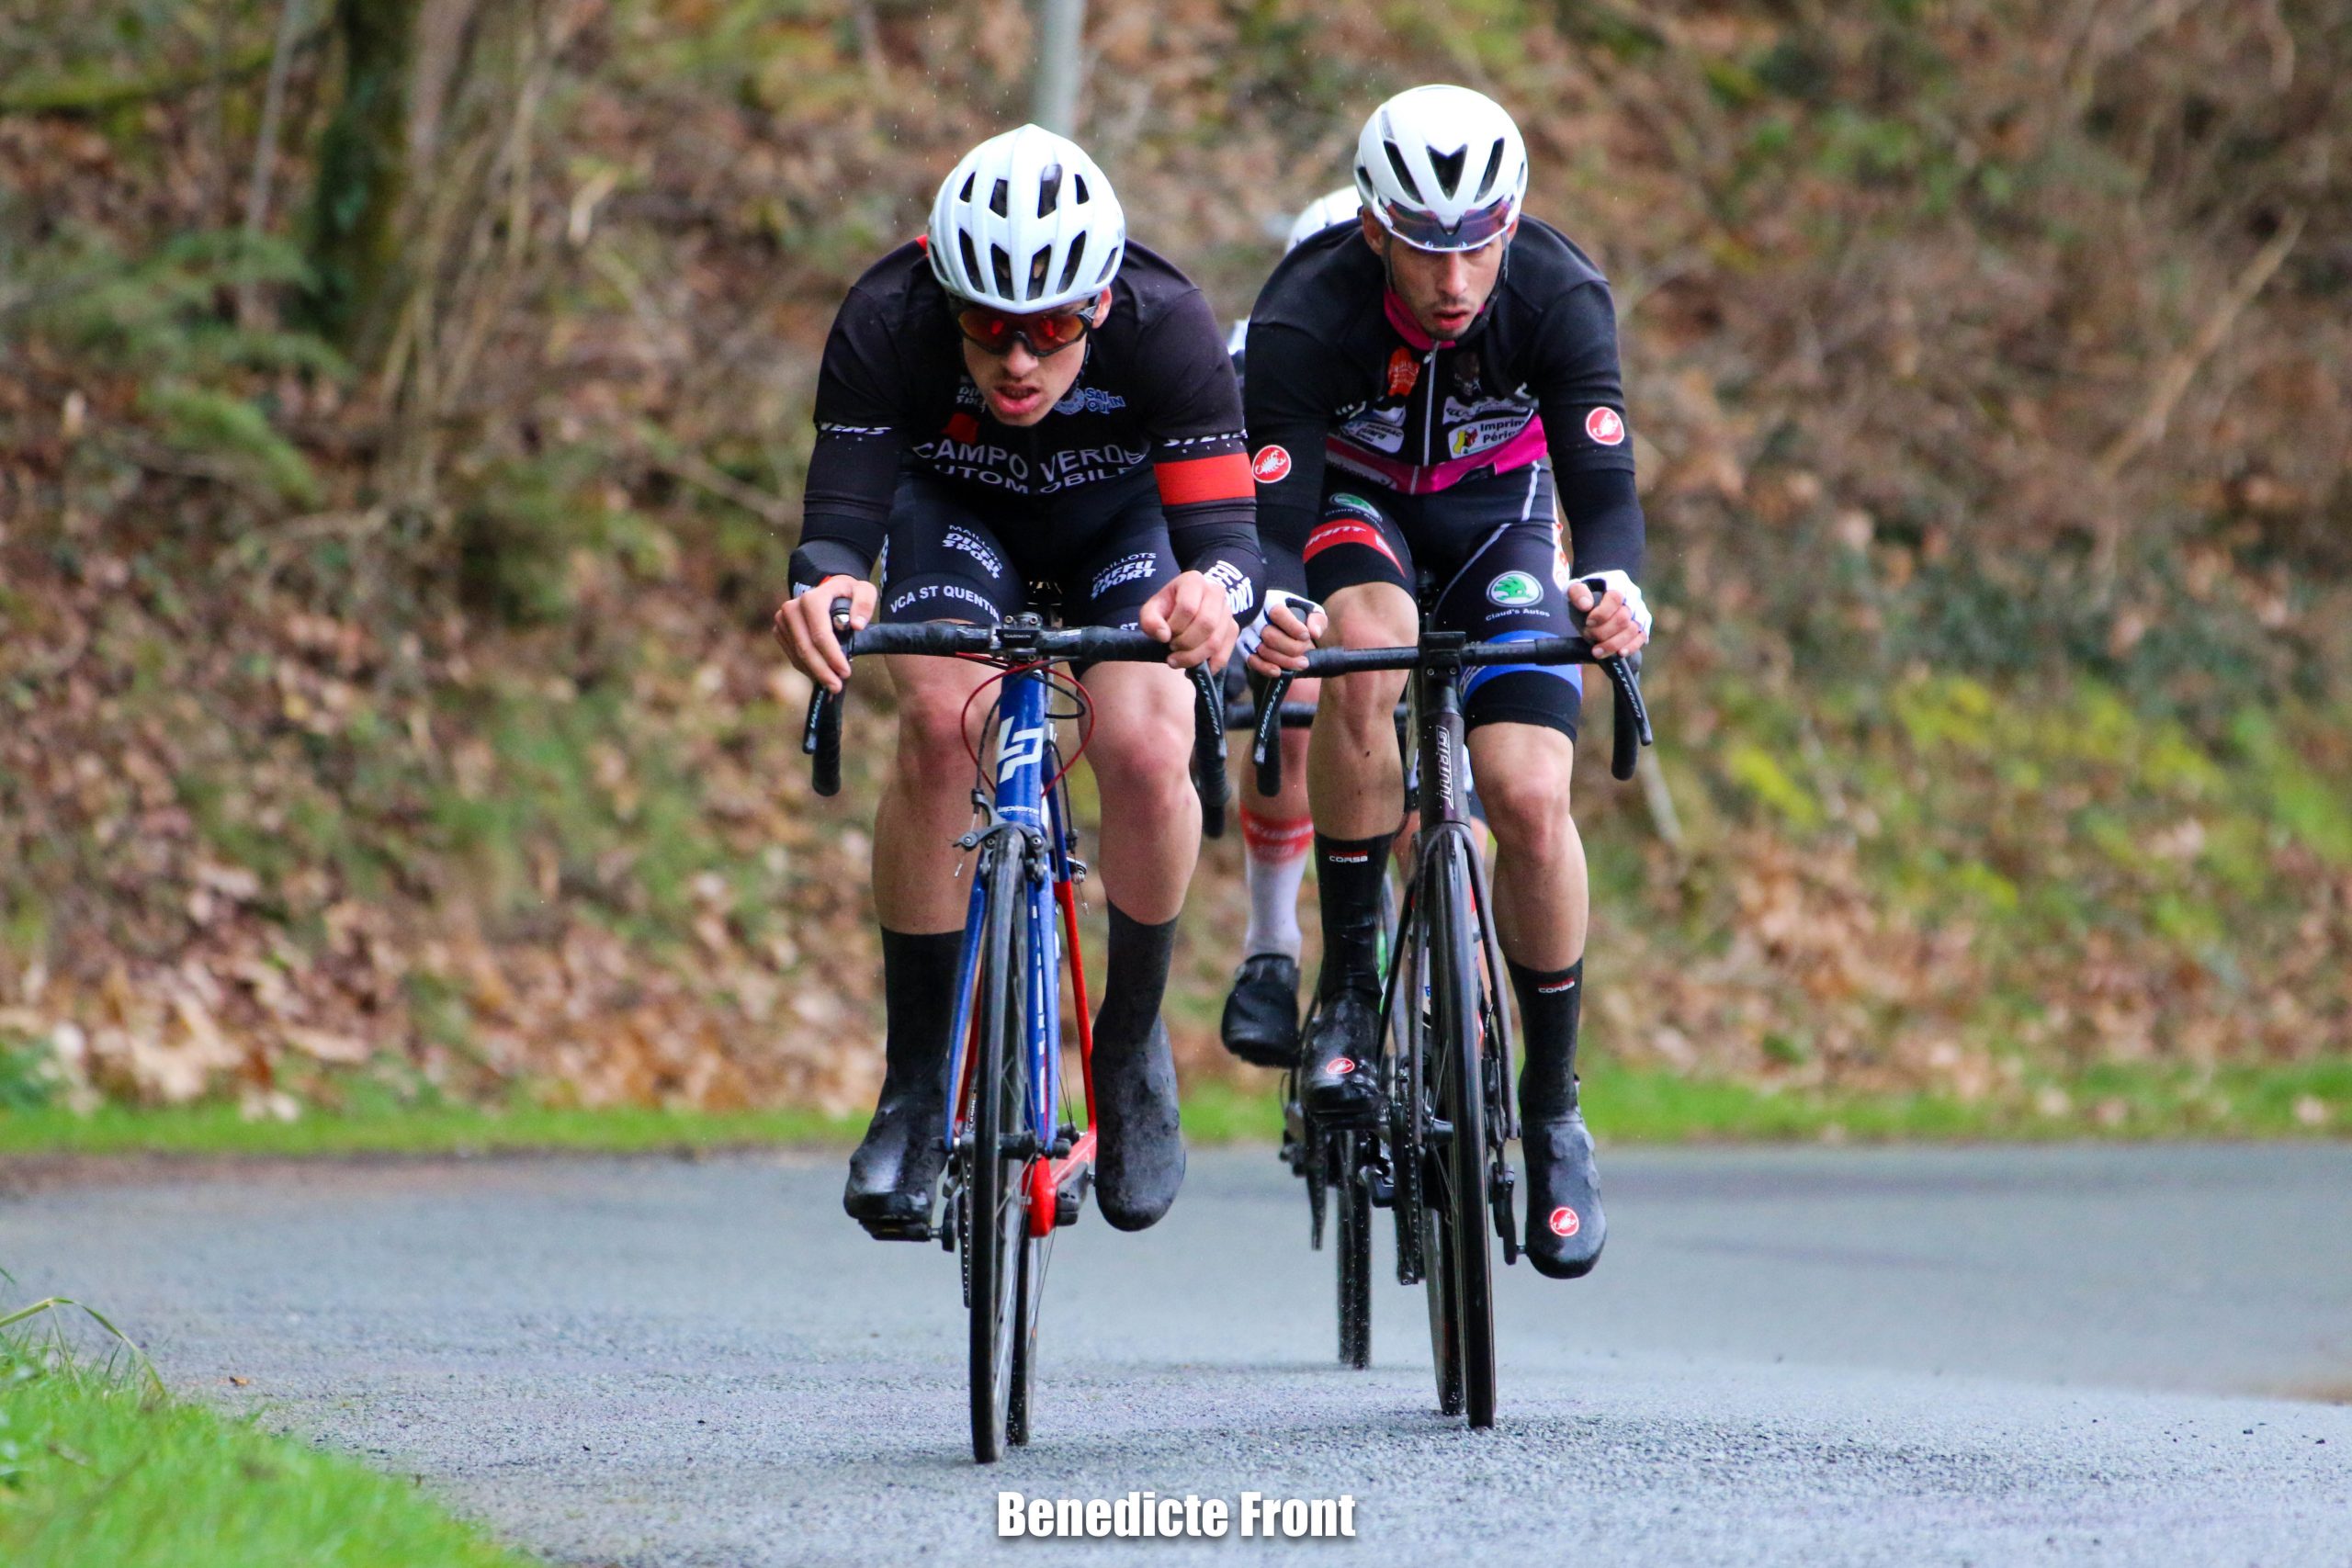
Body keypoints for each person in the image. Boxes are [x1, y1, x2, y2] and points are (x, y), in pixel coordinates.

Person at [773, 125, 1262, 1238]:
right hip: (956, 518)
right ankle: (914, 1086)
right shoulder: (887, 316)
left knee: (1146, 740)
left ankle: (1128, 1047)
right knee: (941, 720)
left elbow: (1230, 542)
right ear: (948, 298)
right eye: (990, 327)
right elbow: (838, 529)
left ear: (1098, 303)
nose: (1019, 360)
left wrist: (1211, 597)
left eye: (1050, 329)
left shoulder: (1166, 322)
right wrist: (828, 587)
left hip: (1123, 527)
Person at [1240, 85, 1653, 1280]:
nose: (1455, 275)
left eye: (1479, 241)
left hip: (1500, 524)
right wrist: (1274, 603)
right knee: (1364, 648)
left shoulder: (1558, 294)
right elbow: (1273, 519)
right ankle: (1349, 990)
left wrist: (1614, 587)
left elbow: (1604, 495)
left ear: (1511, 222)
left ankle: (1554, 1106)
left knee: (1527, 794)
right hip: (1356, 514)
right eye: (1426, 245)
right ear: (1374, 227)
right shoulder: (1307, 308)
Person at [1216, 186, 1359, 1069]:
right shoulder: (1249, 357)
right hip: (1282, 551)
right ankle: (1271, 945)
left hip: (1405, 550)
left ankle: (1448, 960)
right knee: (1296, 698)